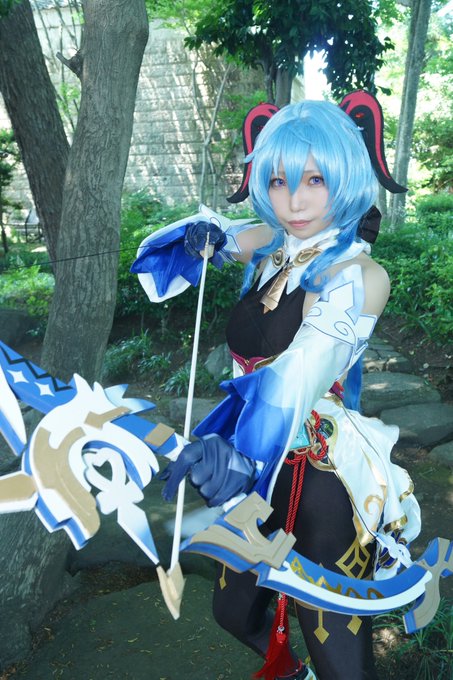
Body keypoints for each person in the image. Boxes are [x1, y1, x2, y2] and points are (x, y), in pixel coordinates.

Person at [131, 97, 421, 680]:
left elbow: (299, 375)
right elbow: (208, 240)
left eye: (315, 180)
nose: (295, 201)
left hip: (321, 479)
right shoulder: (274, 241)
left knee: (339, 655)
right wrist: (196, 235)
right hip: (256, 468)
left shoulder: (359, 276)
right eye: (279, 180)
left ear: (346, 175)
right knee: (234, 612)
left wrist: (237, 450)